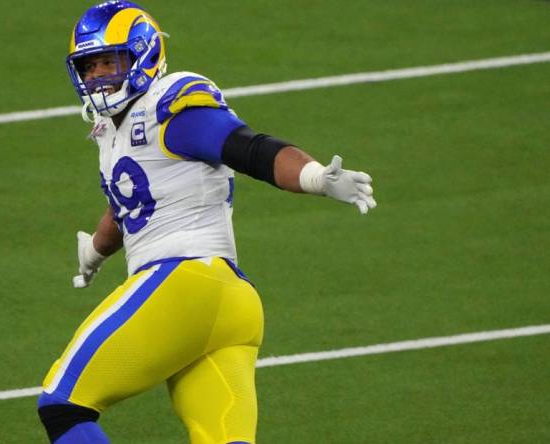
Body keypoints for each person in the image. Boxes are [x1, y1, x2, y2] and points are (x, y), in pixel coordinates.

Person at [37, 2, 377, 443]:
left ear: (143, 56)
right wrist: (96, 252)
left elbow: (246, 147)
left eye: (110, 61)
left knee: (63, 404)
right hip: (231, 303)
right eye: (90, 66)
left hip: (183, 285)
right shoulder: (114, 129)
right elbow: (128, 204)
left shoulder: (169, 105)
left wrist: (314, 177)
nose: (99, 75)